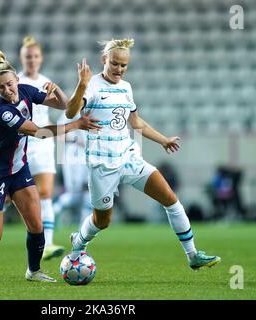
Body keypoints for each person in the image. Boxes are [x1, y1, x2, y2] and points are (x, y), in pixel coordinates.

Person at [0, 49, 101, 282]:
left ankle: (33, 271)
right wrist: (76, 126)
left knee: (36, 224)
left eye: (9, 84)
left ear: (17, 80)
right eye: (1, 87)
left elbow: (67, 108)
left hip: (17, 169)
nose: (7, 90)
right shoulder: (3, 113)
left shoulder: (26, 90)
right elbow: (41, 133)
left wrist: (60, 90)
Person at [65, 38, 221, 270]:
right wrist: (81, 85)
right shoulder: (92, 86)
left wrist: (163, 140)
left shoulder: (126, 87)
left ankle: (192, 255)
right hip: (102, 163)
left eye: (124, 65)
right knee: (103, 221)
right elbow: (70, 113)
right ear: (104, 60)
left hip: (128, 157)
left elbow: (136, 122)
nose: (119, 69)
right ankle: (79, 240)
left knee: (170, 199)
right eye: (115, 64)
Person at [15, 36, 65, 260]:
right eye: (28, 57)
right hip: (21, 142)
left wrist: (56, 91)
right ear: (21, 58)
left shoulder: (46, 81)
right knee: (9, 196)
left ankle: (48, 244)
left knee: (45, 193)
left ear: (41, 58)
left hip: (43, 141)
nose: (32, 60)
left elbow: (64, 106)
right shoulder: (14, 81)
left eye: (35, 56)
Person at [53, 112, 92, 226]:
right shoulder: (71, 111)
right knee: (75, 195)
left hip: (89, 156)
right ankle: (52, 212)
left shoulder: (96, 107)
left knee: (88, 190)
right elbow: (59, 134)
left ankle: (84, 225)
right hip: (74, 157)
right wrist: (76, 139)